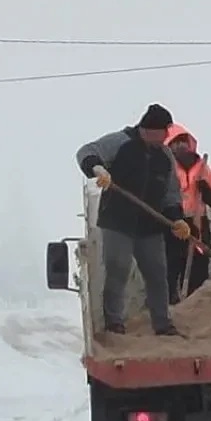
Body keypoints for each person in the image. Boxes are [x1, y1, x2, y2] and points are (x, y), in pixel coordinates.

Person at [75, 103, 192, 337]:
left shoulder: (164, 155)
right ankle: (114, 323)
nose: (166, 137)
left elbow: (171, 192)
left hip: (150, 226)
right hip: (118, 222)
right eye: (163, 131)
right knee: (118, 269)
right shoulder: (120, 142)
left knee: (158, 274)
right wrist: (98, 169)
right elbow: (85, 152)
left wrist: (177, 218)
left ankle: (163, 324)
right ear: (148, 129)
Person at [164, 122, 211, 301]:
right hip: (172, 223)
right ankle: (171, 304)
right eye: (176, 142)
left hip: (198, 223)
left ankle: (196, 303)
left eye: (184, 141)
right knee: (170, 265)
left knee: (199, 266)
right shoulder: (165, 167)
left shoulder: (201, 166)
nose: (181, 146)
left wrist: (205, 189)